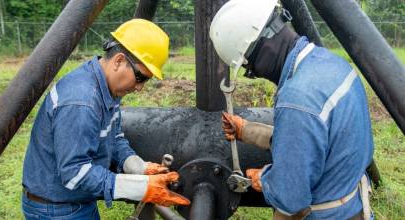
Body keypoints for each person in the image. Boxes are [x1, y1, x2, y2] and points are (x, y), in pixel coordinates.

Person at [210, 0, 374, 219]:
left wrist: (267, 179)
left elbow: (291, 198)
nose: (257, 75)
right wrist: (246, 131)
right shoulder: (333, 64)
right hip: (353, 204)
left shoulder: (297, 98)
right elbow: (317, 141)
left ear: (262, 49)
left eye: (250, 69)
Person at [22, 19, 190, 219]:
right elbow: (74, 172)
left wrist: (136, 166)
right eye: (140, 77)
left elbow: (115, 137)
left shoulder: (108, 89)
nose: (140, 87)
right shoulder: (81, 102)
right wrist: (138, 187)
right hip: (57, 209)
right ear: (119, 61)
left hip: (75, 202)